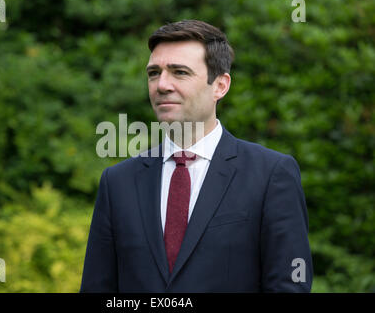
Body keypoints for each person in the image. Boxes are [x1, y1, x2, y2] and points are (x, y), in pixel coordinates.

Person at [80, 20, 313, 292]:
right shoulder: (118, 182)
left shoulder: (271, 174)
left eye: (179, 72)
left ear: (220, 85)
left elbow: (289, 286)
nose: (162, 85)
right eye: (154, 73)